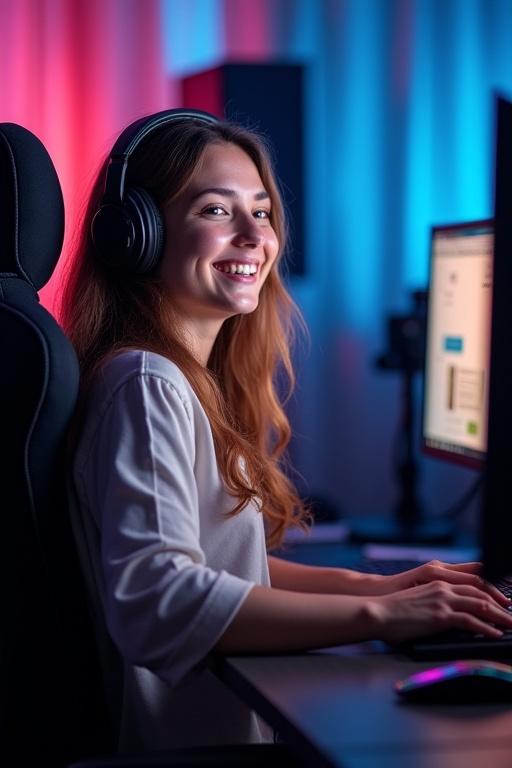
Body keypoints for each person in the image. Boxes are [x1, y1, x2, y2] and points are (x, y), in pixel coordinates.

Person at [60, 110, 512, 754]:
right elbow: (159, 602)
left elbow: (217, 565)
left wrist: (387, 586)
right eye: (216, 211)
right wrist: (381, 615)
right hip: (198, 749)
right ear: (139, 235)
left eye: (263, 212)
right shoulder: (145, 383)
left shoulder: (177, 380)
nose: (253, 236)